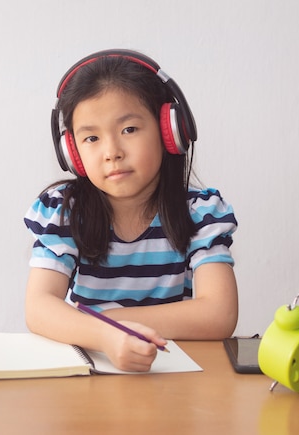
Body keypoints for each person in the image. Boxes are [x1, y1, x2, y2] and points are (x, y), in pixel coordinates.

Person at [24, 49, 238, 372]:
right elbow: (38, 307)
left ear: (170, 132)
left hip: (176, 384)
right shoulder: (65, 212)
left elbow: (219, 314)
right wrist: (106, 337)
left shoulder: (200, 212)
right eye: (92, 137)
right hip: (88, 385)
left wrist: (111, 324)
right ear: (74, 154)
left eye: (129, 130)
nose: (112, 152)